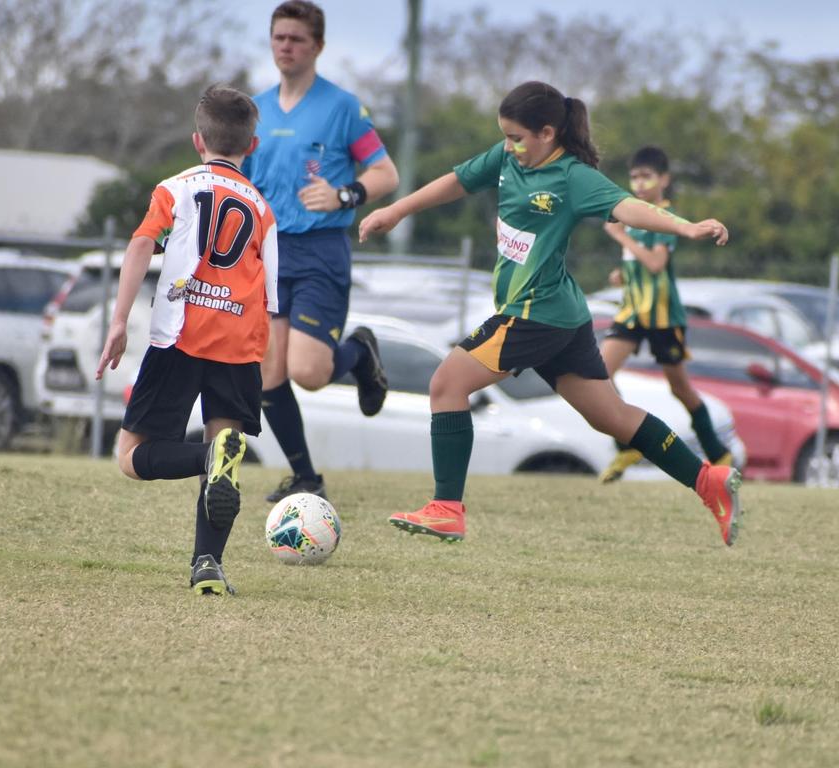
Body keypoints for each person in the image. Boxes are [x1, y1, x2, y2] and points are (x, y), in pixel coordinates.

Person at [358, 81, 742, 546]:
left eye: (517, 137)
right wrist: (396, 211)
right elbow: (457, 180)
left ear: (547, 132)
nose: (507, 145)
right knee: (612, 417)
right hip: (563, 315)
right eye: (504, 135)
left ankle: (446, 508)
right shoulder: (506, 159)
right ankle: (708, 481)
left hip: (534, 313)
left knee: (446, 384)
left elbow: (630, 208)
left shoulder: (573, 177)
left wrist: (688, 227)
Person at [96, 84, 279, 596]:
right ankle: (207, 567)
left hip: (180, 335)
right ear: (254, 145)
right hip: (240, 343)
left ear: (198, 140)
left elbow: (139, 247)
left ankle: (206, 457)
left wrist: (118, 322)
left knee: (132, 458)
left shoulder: (174, 188)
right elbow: (272, 294)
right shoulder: (263, 209)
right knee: (226, 449)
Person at [242, 0, 400, 504]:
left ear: (318, 47)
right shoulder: (256, 110)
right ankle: (306, 477)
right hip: (270, 255)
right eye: (279, 37)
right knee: (268, 373)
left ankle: (359, 353)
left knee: (308, 373)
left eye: (296, 39)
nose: (285, 47)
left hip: (321, 251)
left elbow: (385, 174)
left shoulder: (342, 108)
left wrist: (344, 194)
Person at [597, 146, 733, 483]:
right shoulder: (633, 213)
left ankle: (719, 454)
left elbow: (656, 263)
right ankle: (627, 445)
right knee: (599, 372)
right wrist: (622, 274)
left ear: (664, 180)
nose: (639, 184)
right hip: (632, 312)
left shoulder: (663, 215)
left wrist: (621, 239)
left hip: (662, 317)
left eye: (647, 177)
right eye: (634, 177)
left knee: (680, 389)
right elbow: (640, 265)